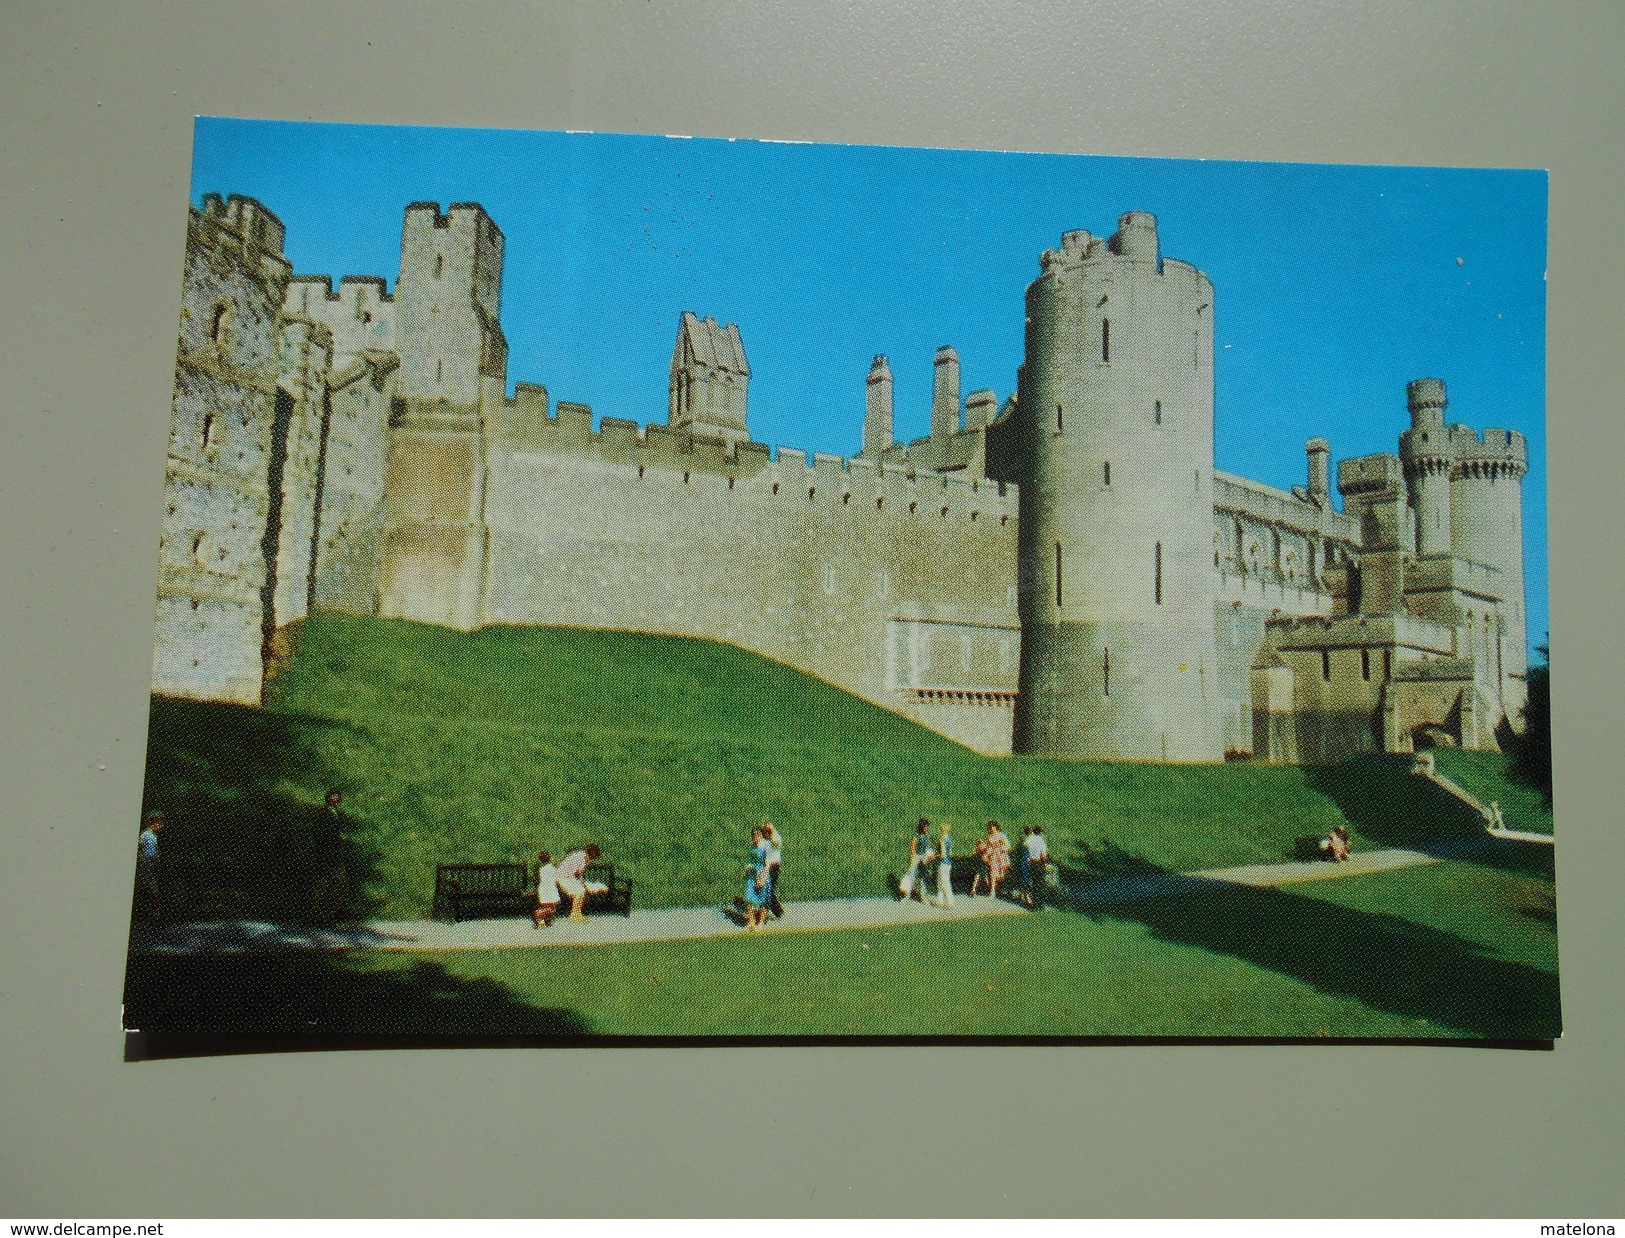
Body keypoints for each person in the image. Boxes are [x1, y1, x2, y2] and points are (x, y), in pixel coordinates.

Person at [555, 843, 606, 920]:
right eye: (592, 857)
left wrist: (584, 885)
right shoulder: (580, 857)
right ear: (590, 854)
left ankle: (578, 913)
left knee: (581, 891)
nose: (591, 860)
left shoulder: (583, 857)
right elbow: (576, 874)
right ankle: (573, 915)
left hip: (569, 878)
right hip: (562, 878)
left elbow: (577, 874)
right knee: (578, 893)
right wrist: (584, 885)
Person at [898, 818, 936, 903]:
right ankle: (906, 896)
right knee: (912, 876)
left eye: (928, 827)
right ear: (922, 827)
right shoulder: (916, 836)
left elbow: (926, 848)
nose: (927, 828)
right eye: (926, 827)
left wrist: (928, 857)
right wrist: (912, 860)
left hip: (923, 857)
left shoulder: (926, 836)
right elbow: (912, 848)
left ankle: (923, 897)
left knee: (923, 877)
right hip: (916, 857)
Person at [971, 820, 1010, 900]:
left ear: (996, 827)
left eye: (993, 828)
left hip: (1001, 855)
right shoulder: (990, 837)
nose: (992, 829)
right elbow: (989, 848)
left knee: (1001, 875)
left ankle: (1004, 889)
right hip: (994, 857)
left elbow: (1007, 845)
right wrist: (985, 854)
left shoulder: (1001, 835)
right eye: (990, 828)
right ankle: (992, 892)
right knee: (993, 874)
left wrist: (1003, 849)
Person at [136, 809, 164, 921]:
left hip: (151, 866)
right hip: (145, 866)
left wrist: (156, 856)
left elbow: (153, 851)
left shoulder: (153, 836)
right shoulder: (145, 835)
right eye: (159, 822)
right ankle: (153, 917)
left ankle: (153, 916)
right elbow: (139, 848)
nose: (162, 825)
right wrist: (142, 861)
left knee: (153, 891)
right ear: (153, 822)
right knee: (152, 891)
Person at [741, 826, 771, 930]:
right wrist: (747, 869)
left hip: (762, 873)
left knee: (763, 899)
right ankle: (752, 922)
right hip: (752, 875)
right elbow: (751, 860)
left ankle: (761, 922)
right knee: (749, 898)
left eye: (758, 836)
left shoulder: (766, 846)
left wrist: (762, 878)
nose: (755, 838)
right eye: (754, 836)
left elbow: (767, 864)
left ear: (762, 836)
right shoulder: (752, 846)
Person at [1023, 825, 1051, 906]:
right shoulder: (1041, 841)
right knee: (1041, 883)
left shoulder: (1030, 840)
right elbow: (1043, 855)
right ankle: (1040, 903)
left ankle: (1034, 902)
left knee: (1034, 883)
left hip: (1031, 862)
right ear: (1041, 832)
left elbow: (1025, 845)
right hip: (1039, 862)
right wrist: (1045, 863)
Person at [532, 850, 561, 927]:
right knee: (552, 908)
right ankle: (538, 914)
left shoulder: (540, 869)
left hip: (542, 889)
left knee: (544, 906)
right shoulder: (552, 868)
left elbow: (537, 879)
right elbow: (557, 879)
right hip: (551, 890)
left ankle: (541, 921)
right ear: (550, 859)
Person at [762, 821, 785, 918]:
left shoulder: (776, 838)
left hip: (774, 867)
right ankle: (773, 910)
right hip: (766, 867)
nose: (766, 833)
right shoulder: (764, 841)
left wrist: (771, 832)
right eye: (764, 831)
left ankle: (778, 911)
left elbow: (776, 842)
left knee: (768, 890)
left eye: (768, 831)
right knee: (766, 889)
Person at [933, 820, 955, 908]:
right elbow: (950, 853)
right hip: (948, 863)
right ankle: (940, 900)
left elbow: (942, 854)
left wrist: (935, 855)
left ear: (942, 830)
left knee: (944, 882)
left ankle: (950, 901)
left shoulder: (942, 840)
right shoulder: (950, 839)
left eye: (940, 829)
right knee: (941, 881)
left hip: (942, 863)